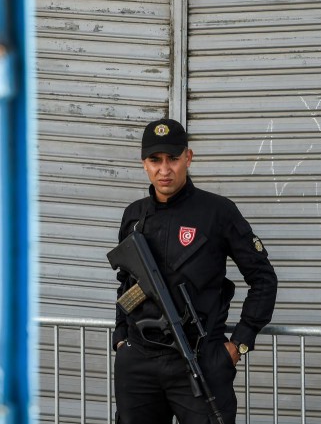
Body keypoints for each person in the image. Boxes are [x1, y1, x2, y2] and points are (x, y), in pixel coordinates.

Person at [112, 118, 278, 424]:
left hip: (199, 358)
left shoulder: (218, 212)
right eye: (155, 160)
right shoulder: (134, 215)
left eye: (173, 159)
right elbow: (125, 283)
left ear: (188, 157)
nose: (165, 169)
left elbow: (263, 279)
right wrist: (121, 338)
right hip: (139, 364)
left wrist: (239, 343)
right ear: (143, 164)